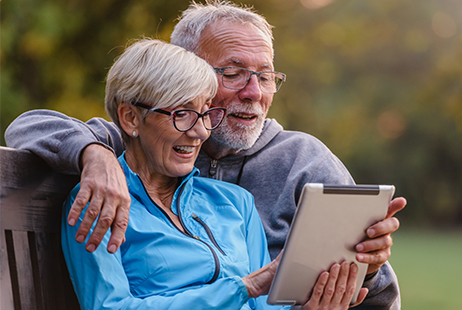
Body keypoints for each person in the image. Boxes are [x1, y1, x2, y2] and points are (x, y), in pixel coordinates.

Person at [5, 1, 406, 309]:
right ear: (186, 72)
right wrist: (92, 154)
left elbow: (376, 294)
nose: (253, 92)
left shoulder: (288, 170)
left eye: (265, 76)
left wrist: (363, 266)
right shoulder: (121, 152)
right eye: (232, 73)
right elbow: (28, 125)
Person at [62, 37, 367, 309]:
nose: (199, 132)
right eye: (181, 114)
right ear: (130, 118)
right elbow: (110, 307)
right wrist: (242, 288)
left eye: (206, 114)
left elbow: (265, 306)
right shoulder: (100, 202)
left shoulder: (235, 203)